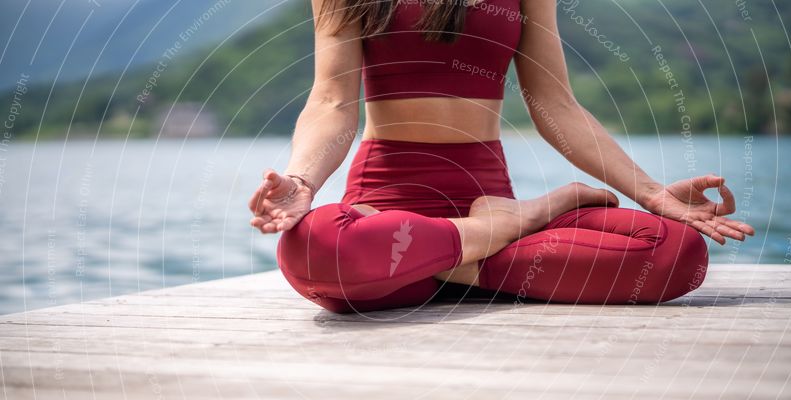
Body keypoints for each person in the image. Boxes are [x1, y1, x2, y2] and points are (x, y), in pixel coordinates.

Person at [248, 0, 755, 314]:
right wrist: (303, 180)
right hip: (390, 209)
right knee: (312, 246)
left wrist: (651, 193)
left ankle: (432, 263)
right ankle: (511, 226)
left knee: (676, 254)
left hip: (463, 206)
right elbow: (333, 102)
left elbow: (555, 103)